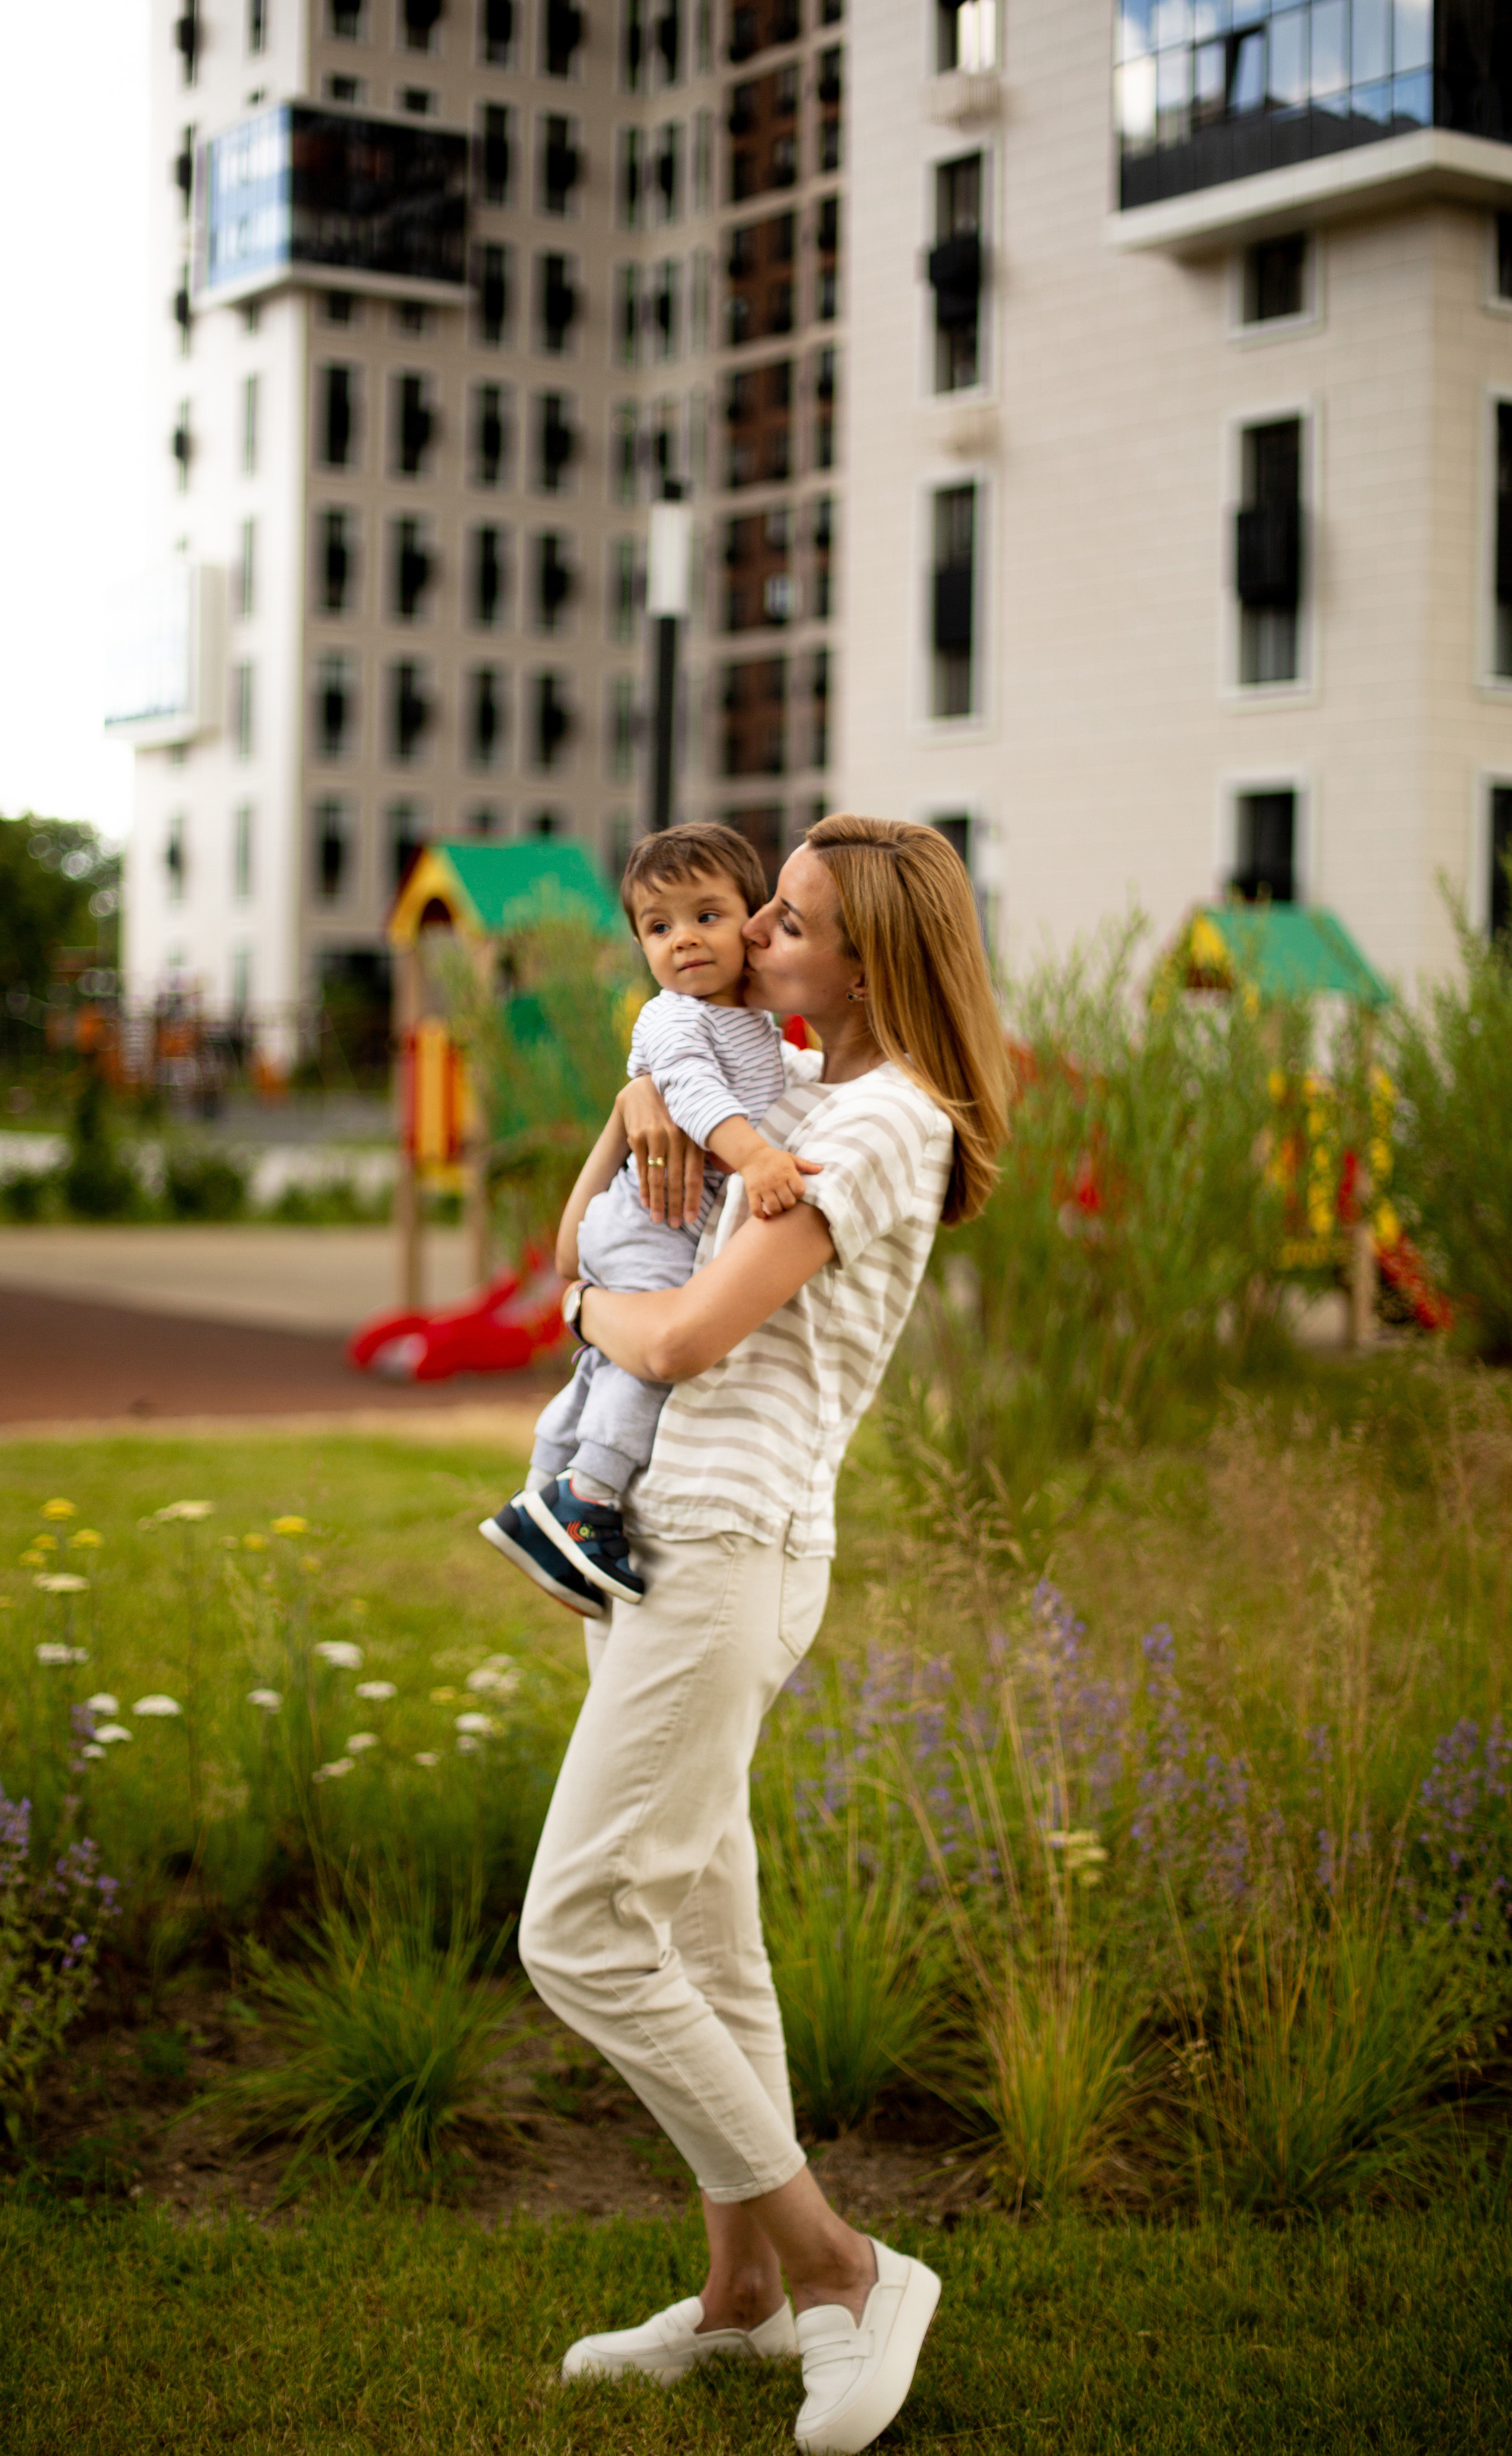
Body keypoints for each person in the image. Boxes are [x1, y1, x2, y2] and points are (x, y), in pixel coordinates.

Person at [517, 814, 1014, 2455]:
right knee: (706, 1933)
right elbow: (626, 1161)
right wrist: (640, 1096)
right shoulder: (795, 1092)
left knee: (580, 1925)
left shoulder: (879, 1127)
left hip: (725, 1544)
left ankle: (843, 2267)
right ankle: (739, 2293)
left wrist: (574, 1309)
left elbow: (673, 1326)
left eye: (785, 924)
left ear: (861, 957)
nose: (747, 944)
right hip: (661, 1541)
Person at [481, 821, 818, 1612]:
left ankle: (540, 1488)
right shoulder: (675, 1017)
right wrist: (760, 1158)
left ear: (754, 921)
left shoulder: (752, 1026)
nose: (685, 942)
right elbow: (697, 1099)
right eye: (659, 927)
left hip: (654, 1217)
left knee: (607, 1360)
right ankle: (588, 1497)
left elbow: (776, 1081)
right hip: (649, 1218)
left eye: (707, 915)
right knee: (647, 1355)